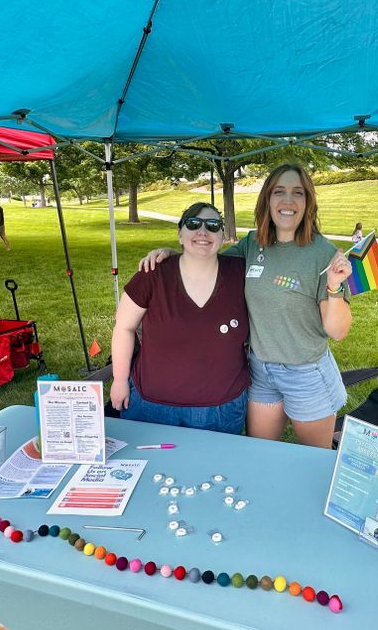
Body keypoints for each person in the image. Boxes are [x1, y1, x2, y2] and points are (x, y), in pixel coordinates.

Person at [140, 164, 353, 448]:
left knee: (315, 459)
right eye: (279, 192)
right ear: (267, 199)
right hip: (260, 371)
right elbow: (209, 262)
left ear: (308, 203)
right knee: (259, 453)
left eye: (297, 194)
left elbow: (337, 331)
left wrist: (335, 286)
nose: (287, 201)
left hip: (306, 374)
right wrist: (173, 254)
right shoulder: (254, 243)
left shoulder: (323, 254)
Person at [111, 203, 250, 434]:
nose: (203, 232)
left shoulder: (241, 273)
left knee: (213, 469)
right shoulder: (153, 272)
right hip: (150, 406)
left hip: (221, 409)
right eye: (193, 224)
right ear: (180, 234)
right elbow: (124, 327)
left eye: (213, 225)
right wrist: (119, 380)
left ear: (223, 236)